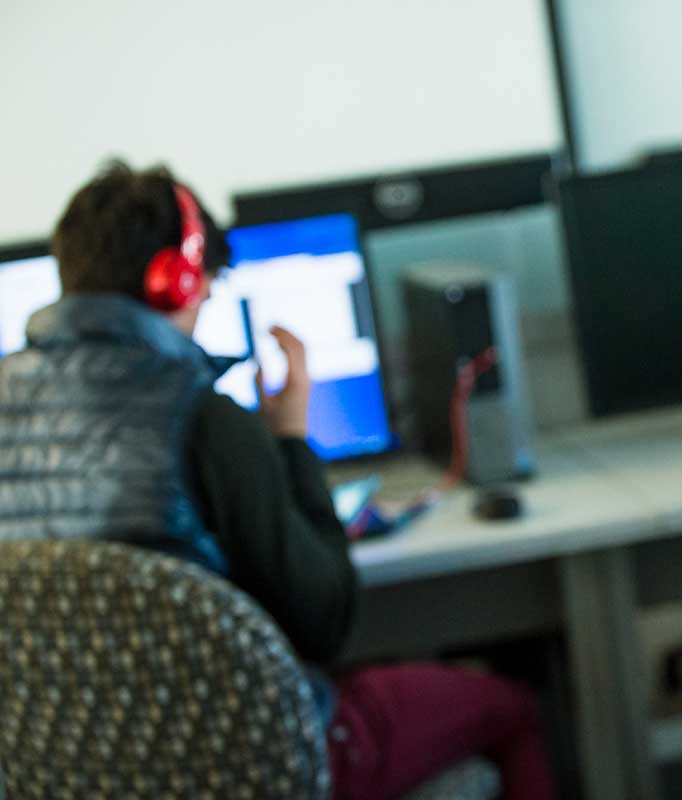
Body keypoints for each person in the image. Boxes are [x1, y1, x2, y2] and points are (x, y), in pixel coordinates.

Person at [0, 161, 556, 800]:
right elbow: (324, 621)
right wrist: (291, 438)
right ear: (174, 279)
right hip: (248, 766)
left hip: (70, 777)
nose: (207, 295)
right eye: (207, 279)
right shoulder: (201, 418)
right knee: (511, 707)